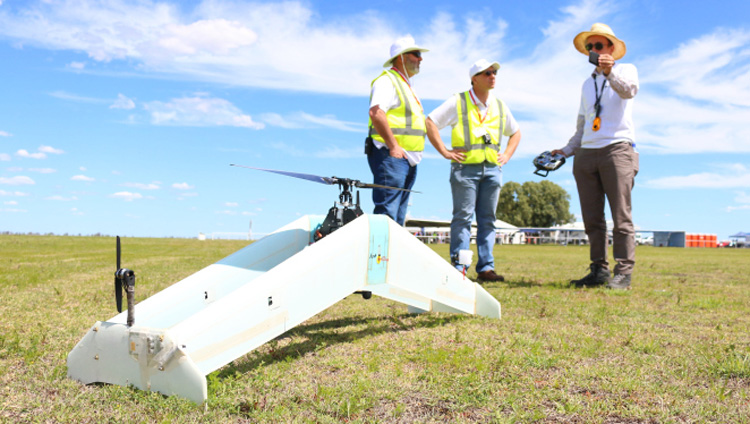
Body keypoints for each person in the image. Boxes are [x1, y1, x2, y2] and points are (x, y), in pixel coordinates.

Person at [550, 23, 639, 290]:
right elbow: (583, 125)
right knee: (592, 218)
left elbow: (629, 91)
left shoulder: (626, 70)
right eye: (590, 47)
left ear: (612, 49)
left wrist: (610, 71)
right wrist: (565, 150)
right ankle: (599, 270)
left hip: (617, 149)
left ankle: (623, 272)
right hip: (587, 154)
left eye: (599, 46)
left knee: (621, 216)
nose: (594, 51)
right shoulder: (587, 84)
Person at [426, 59, 521, 282]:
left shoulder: (499, 105)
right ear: (474, 79)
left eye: (494, 72)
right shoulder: (457, 101)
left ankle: (486, 268)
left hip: (492, 170)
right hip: (464, 169)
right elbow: (431, 122)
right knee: (463, 218)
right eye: (486, 72)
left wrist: (506, 155)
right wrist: (445, 151)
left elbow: (515, 132)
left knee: (488, 219)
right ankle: (459, 267)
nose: (492, 76)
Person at [366, 36, 430, 225]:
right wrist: (394, 147)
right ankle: (381, 255)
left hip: (407, 159)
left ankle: (391, 255)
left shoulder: (406, 85)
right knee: (388, 215)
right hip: (391, 157)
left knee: (398, 218)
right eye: (416, 54)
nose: (421, 59)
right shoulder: (388, 81)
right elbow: (376, 113)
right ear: (401, 57)